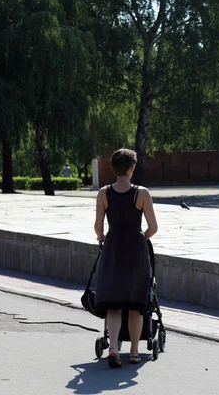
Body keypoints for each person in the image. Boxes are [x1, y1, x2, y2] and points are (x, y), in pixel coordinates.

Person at [93, 148, 158, 368]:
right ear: (131, 169)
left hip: (112, 250)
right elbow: (153, 227)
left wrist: (102, 237)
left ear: (113, 168)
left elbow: (98, 227)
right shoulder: (142, 193)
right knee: (135, 304)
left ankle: (113, 347)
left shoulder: (104, 193)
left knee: (113, 304)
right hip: (135, 251)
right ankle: (133, 352)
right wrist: (142, 237)